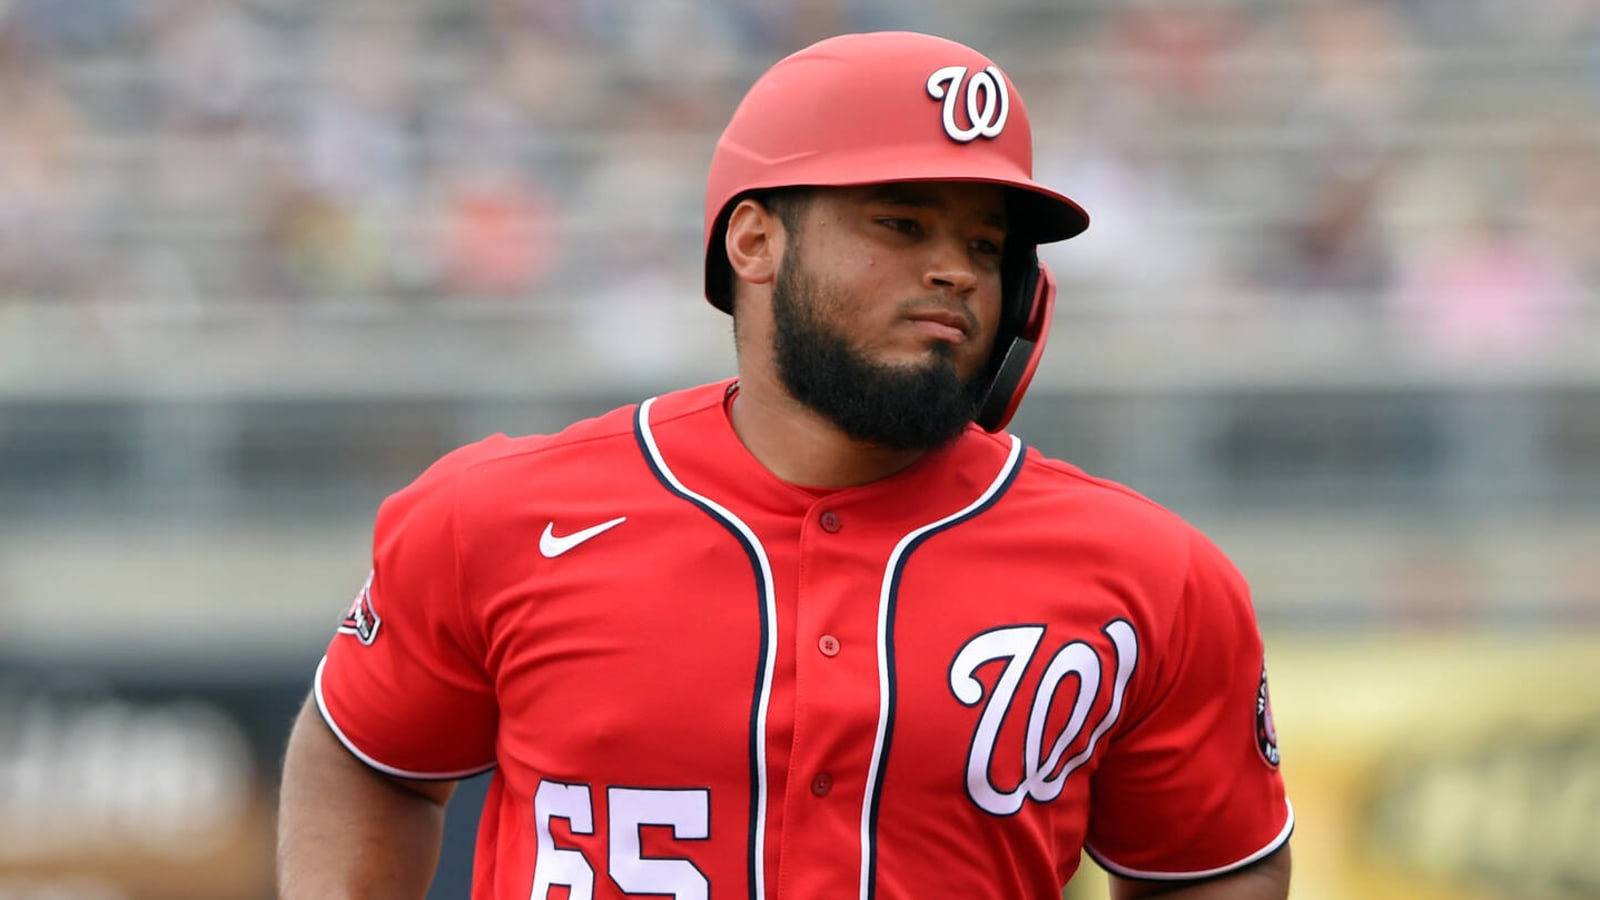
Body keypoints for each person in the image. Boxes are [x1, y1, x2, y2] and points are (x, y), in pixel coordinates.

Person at [276, 30, 1293, 900]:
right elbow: (369, 758)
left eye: (986, 244)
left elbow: (1210, 867)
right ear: (754, 241)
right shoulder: (496, 515)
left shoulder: (1152, 577)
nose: (954, 268)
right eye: (900, 222)